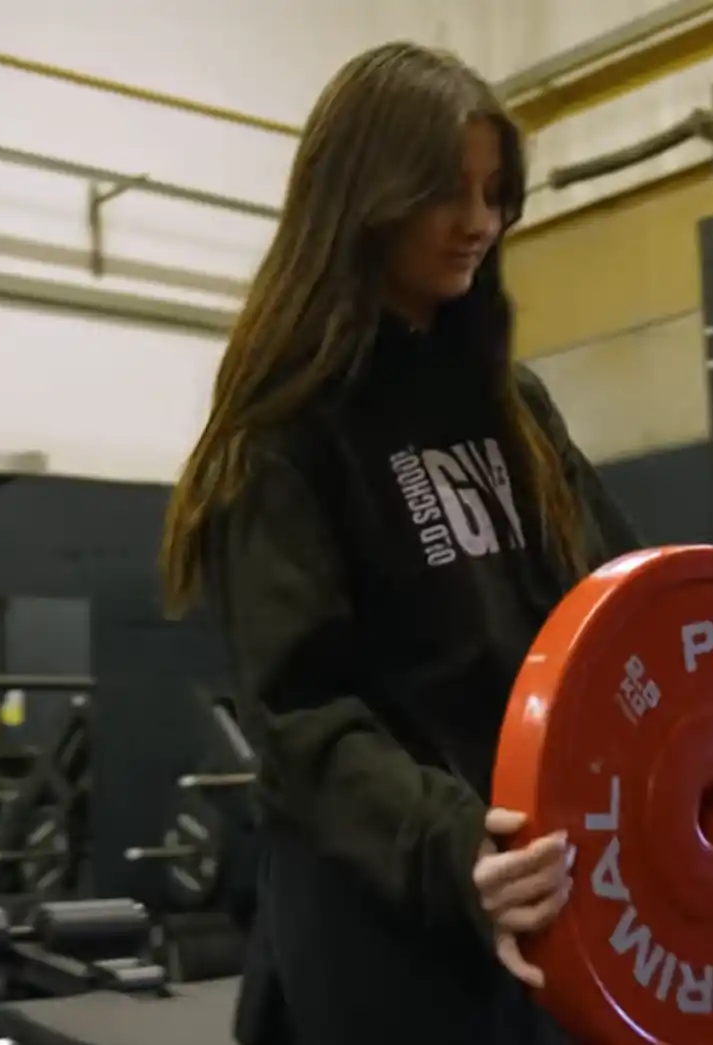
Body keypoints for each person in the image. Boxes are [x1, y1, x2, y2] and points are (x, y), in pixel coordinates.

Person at [159, 40, 640, 1045]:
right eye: (445, 193)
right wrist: (456, 846)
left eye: (493, 192)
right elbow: (304, 718)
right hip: (383, 921)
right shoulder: (285, 434)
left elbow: (616, 610)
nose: (479, 222)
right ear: (364, 198)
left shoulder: (516, 407)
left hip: (535, 894)